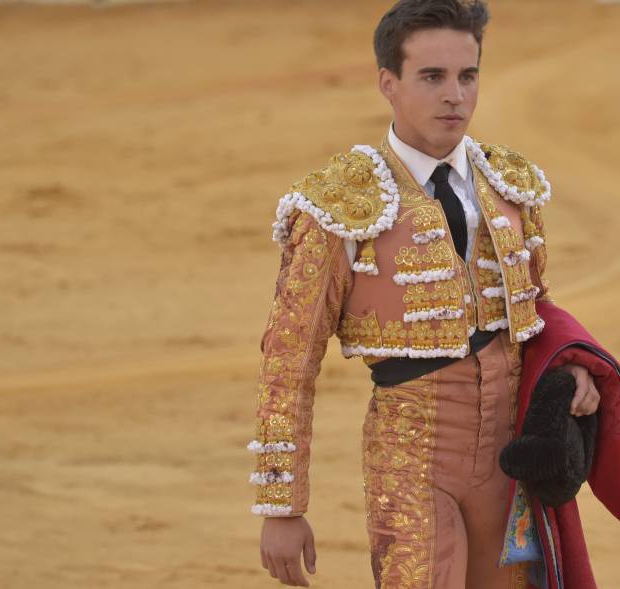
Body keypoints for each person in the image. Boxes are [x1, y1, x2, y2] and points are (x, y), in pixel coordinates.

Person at [250, 1, 599, 587]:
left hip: (507, 454)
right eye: (432, 77)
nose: (454, 96)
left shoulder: (508, 185)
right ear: (389, 83)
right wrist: (282, 507)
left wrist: (574, 368)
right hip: (409, 456)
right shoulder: (339, 203)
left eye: (468, 76)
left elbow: (536, 307)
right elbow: (289, 358)